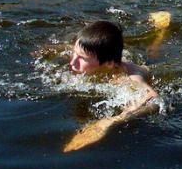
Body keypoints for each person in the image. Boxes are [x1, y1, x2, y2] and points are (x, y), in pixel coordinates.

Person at [63, 16, 169, 152]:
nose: (72, 62)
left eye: (82, 58)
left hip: (144, 65)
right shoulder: (87, 58)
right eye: (74, 53)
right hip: (111, 56)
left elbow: (154, 98)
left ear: (109, 64)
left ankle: (162, 30)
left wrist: (111, 121)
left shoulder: (128, 78)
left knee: (152, 52)